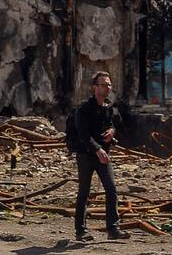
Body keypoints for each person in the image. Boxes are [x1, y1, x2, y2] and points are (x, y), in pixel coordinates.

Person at [69, 70, 124, 241]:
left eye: (109, 84)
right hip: (86, 155)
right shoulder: (83, 109)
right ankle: (81, 231)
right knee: (84, 192)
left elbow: (119, 124)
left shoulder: (109, 107)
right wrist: (97, 149)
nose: (107, 87)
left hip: (103, 155)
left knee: (111, 189)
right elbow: (83, 134)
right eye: (103, 84)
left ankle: (113, 229)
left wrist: (112, 131)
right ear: (94, 88)